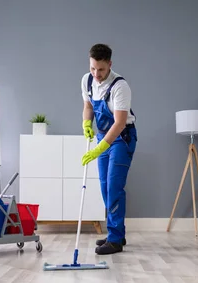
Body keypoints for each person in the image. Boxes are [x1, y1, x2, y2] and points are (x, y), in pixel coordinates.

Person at [81, 43, 137, 255]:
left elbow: (120, 122)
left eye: (101, 69)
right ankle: (118, 233)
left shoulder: (120, 86)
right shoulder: (87, 80)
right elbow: (88, 107)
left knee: (114, 187)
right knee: (105, 188)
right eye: (93, 68)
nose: (96, 74)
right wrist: (87, 123)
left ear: (110, 64)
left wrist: (100, 148)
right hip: (104, 136)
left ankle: (114, 240)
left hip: (122, 137)